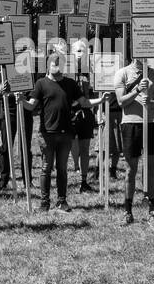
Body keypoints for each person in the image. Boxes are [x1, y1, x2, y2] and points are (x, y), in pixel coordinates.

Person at [19, 50, 99, 212]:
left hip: (66, 133)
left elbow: (84, 102)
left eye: (60, 63)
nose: (57, 66)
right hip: (47, 133)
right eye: (55, 63)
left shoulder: (70, 84)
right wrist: (21, 100)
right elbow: (31, 105)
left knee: (62, 169)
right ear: (48, 65)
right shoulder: (41, 83)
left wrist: (101, 100)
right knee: (46, 168)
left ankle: (62, 201)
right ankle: (44, 203)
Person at [112, 54, 154, 226]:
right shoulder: (122, 73)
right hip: (130, 124)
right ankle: (127, 211)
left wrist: (151, 101)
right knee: (131, 169)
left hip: (151, 123)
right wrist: (137, 90)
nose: (143, 56)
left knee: (151, 168)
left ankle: (152, 211)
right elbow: (121, 102)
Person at [71, 75, 97, 193]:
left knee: (85, 149)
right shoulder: (66, 73)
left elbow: (94, 94)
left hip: (86, 115)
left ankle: (84, 180)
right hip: (70, 114)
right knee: (72, 145)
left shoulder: (89, 75)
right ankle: (75, 166)